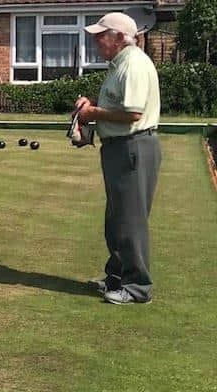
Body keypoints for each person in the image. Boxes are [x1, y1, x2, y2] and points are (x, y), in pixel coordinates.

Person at [74, 12, 162, 305]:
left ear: (121, 37)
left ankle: (137, 288)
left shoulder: (133, 64)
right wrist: (93, 107)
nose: (97, 40)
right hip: (120, 147)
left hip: (132, 147)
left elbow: (132, 113)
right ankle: (117, 277)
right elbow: (118, 105)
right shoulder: (120, 64)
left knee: (129, 219)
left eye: (103, 34)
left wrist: (92, 113)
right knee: (116, 219)